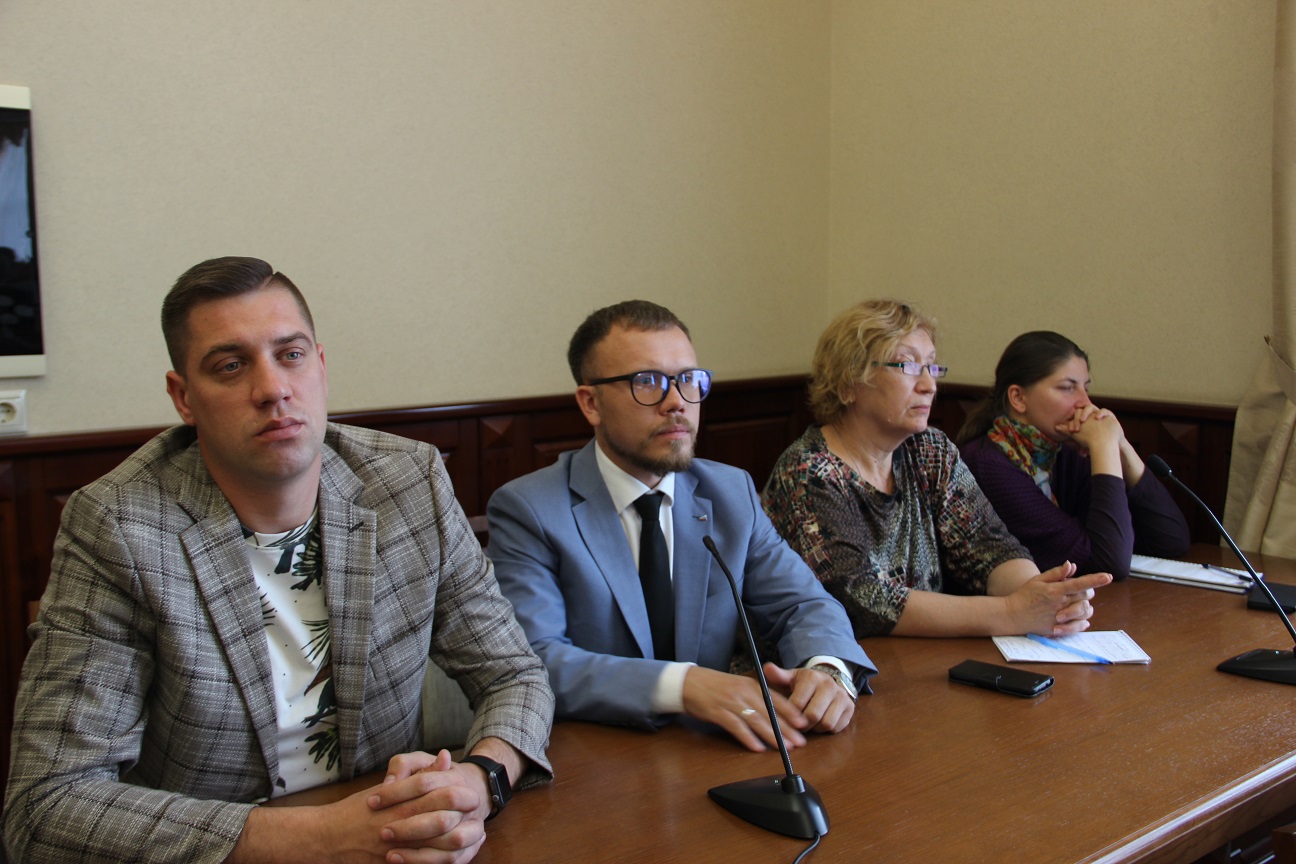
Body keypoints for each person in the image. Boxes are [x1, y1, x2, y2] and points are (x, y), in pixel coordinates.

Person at [2, 257, 554, 864]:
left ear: (320, 366)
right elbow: (47, 806)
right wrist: (330, 836)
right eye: (230, 365)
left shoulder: (407, 483)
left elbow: (513, 675)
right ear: (183, 397)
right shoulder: (119, 527)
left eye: (290, 355)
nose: (272, 389)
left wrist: (481, 779)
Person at [486, 300, 874, 755]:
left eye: (689, 380)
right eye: (646, 382)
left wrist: (827, 669)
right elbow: (536, 661)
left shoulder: (730, 492)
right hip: (596, 758)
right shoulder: (530, 509)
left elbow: (804, 604)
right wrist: (684, 685)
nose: (677, 402)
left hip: (711, 752)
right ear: (591, 404)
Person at [763, 299, 1111, 639]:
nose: (929, 385)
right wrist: (1012, 612)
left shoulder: (930, 450)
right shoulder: (809, 470)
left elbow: (988, 544)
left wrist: (1041, 596)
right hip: (826, 666)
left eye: (931, 366)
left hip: (918, 657)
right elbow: (861, 599)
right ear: (849, 382)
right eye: (908, 366)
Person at [956, 330, 1190, 581]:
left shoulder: (1064, 451)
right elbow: (1108, 563)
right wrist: (1104, 446)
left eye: (1085, 388)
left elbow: (1171, 540)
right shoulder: (988, 465)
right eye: (1067, 388)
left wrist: (1121, 445)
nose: (1085, 403)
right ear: (1018, 398)